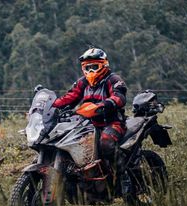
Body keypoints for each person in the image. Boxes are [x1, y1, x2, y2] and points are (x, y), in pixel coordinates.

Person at [52, 47, 129, 195]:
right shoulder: (83, 82)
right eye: (88, 67)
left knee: (106, 142)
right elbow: (70, 97)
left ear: (103, 65)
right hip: (89, 124)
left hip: (113, 123)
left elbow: (120, 97)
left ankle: (123, 177)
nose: (91, 70)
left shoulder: (113, 79)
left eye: (94, 66)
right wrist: (51, 106)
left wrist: (105, 104)